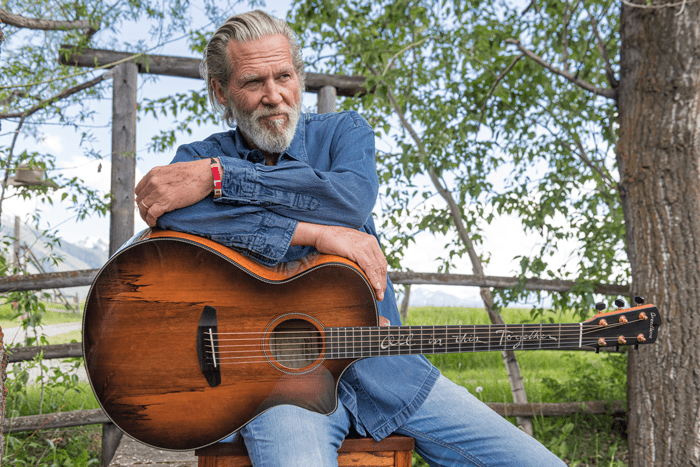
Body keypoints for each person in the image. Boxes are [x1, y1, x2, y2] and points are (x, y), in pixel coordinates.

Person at [134, 10, 566, 467]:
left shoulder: (344, 132)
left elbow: (350, 202)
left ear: (299, 77)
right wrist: (315, 233)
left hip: (387, 371)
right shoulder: (195, 159)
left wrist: (222, 180)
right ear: (221, 92)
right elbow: (170, 227)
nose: (273, 95)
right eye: (252, 81)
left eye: (284, 76)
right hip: (278, 393)